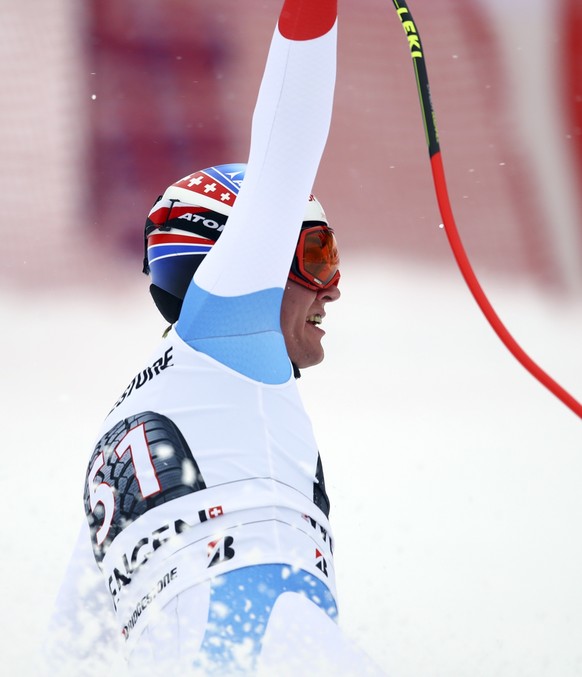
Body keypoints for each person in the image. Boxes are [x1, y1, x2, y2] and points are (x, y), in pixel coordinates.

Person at [45, 0, 386, 674]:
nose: (334, 285)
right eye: (316, 254)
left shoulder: (126, 435)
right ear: (235, 260)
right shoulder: (228, 335)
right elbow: (291, 132)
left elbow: (67, 654)